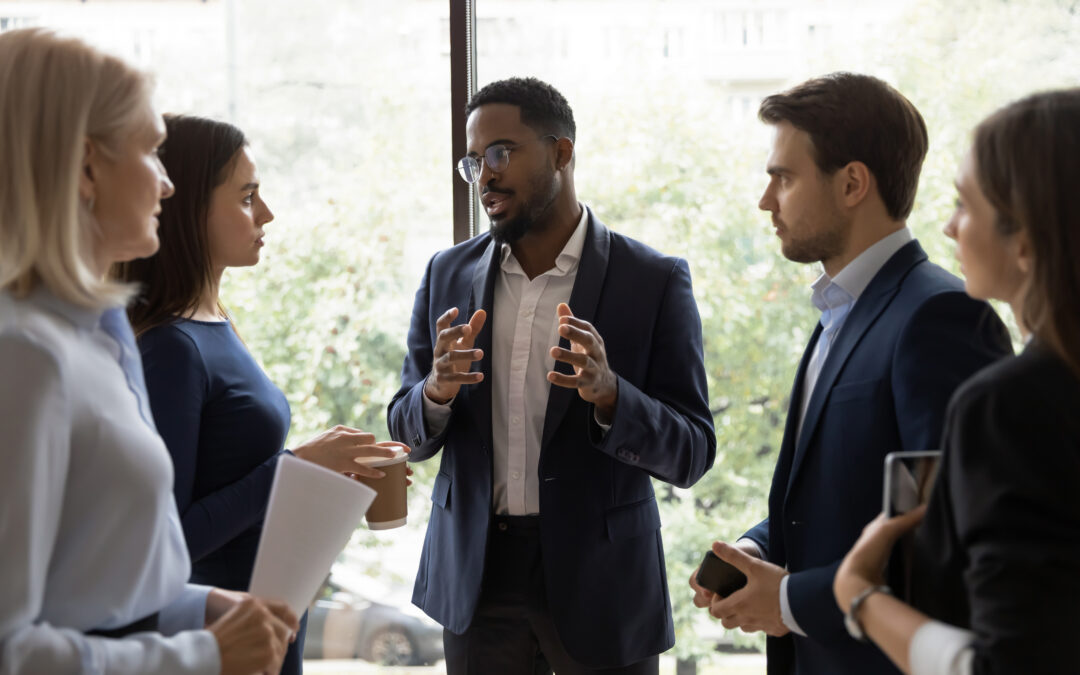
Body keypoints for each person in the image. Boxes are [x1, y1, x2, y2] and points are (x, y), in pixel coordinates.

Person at [387, 77, 715, 674]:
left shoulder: (654, 280)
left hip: (604, 587)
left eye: (500, 153)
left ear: (562, 152)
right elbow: (404, 434)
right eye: (473, 161)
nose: (484, 175)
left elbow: (692, 453)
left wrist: (612, 396)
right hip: (477, 585)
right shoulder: (445, 274)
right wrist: (435, 392)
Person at [688, 72, 1012, 674]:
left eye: (783, 177)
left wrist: (787, 601)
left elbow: (942, 536)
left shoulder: (940, 316)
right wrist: (759, 547)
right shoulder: (836, 312)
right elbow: (839, 496)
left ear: (853, 183)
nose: (766, 200)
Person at [0, 28, 297, 674]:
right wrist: (202, 653)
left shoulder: (102, 337)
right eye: (153, 152)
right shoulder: (23, 354)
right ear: (86, 168)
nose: (167, 184)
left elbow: (92, 591)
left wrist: (198, 608)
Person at [114, 114, 408, 675]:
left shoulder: (214, 322)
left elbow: (236, 481)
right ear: (190, 207)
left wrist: (326, 476)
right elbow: (168, 543)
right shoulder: (172, 348)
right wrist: (297, 466)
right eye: (248, 196)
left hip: (264, 622)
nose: (266, 213)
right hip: (221, 638)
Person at [834, 88, 1080, 675]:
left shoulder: (1011, 406)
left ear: (1024, 238)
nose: (947, 228)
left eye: (964, 205)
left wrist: (860, 597)